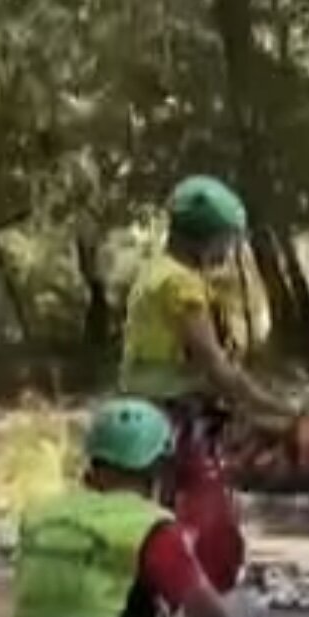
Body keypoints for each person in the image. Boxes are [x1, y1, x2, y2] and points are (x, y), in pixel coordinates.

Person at [2, 397, 261, 617]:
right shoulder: (150, 528)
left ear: (91, 470)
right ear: (157, 473)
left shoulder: (40, 517)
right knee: (245, 608)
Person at [122, 175, 293, 590]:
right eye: (226, 240)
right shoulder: (182, 287)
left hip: (147, 417)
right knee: (209, 525)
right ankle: (201, 605)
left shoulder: (153, 274)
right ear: (206, 237)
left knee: (156, 515)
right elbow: (216, 368)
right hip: (176, 420)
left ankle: (161, 599)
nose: (229, 250)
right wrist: (281, 411)